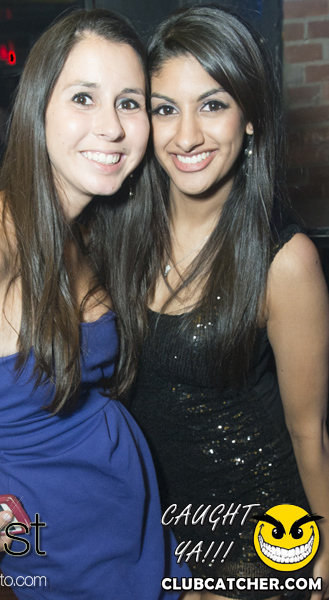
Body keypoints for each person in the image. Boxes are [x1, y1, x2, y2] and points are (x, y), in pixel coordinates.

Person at [0, 9, 185, 599]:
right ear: (37, 108)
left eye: (129, 102)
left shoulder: (89, 223)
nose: (111, 127)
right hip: (63, 548)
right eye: (83, 97)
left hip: (133, 516)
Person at [128, 5, 329, 600]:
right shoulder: (121, 235)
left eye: (212, 105)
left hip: (259, 536)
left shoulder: (284, 261)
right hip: (162, 529)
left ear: (250, 118)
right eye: (166, 109)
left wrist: (326, 543)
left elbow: (309, 430)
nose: (187, 135)